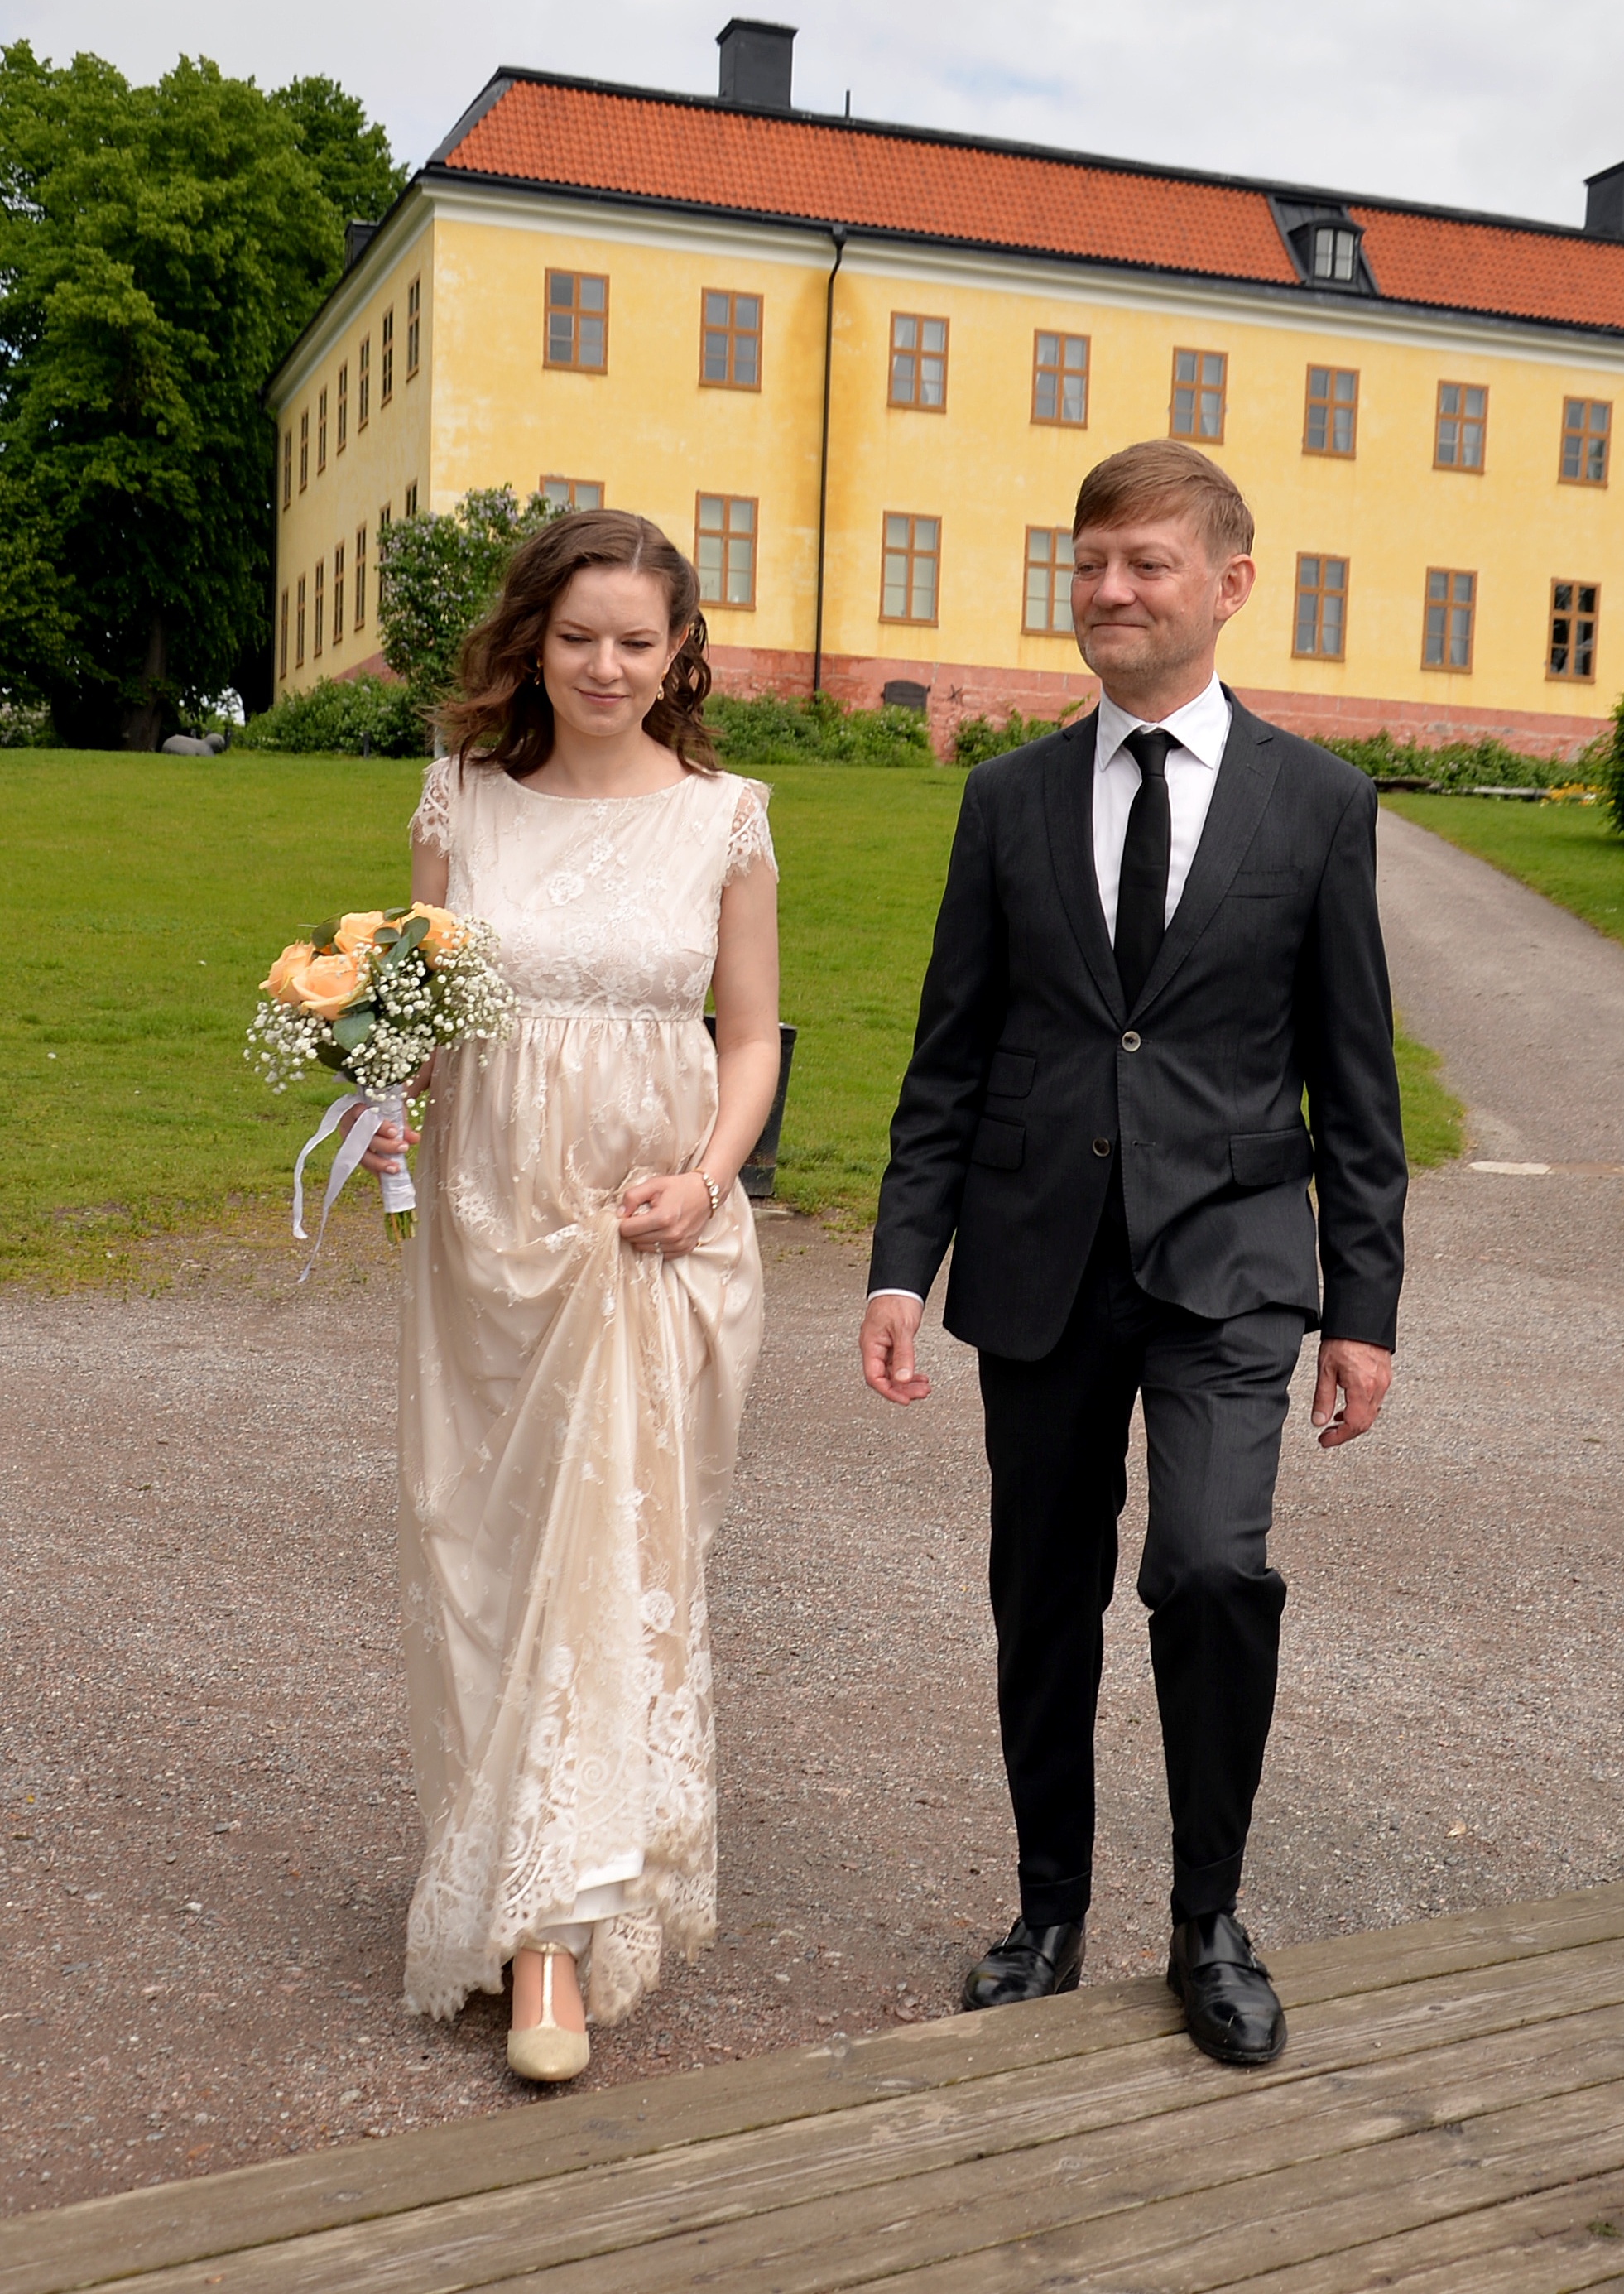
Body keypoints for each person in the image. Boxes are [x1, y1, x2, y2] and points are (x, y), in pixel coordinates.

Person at [859, 441, 1405, 2068]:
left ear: (1228, 585)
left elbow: (1355, 1079)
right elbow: (948, 1057)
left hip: (1229, 1261)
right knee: (1041, 1591)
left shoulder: (1318, 804)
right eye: (1088, 559)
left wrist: (1362, 1308)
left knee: (1212, 1569)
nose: (1106, 588)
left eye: (1143, 562)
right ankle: (1046, 1909)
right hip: (1039, 1259)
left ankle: (1207, 1922)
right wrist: (900, 1266)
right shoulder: (1005, 799)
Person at [351, 507, 780, 2080]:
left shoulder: (728, 819)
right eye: (578, 635)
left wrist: (711, 1175)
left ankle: (553, 1926)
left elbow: (751, 1035)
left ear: (679, 653)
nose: (607, 666)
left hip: (647, 1237)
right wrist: (378, 1089)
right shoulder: (457, 799)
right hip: (487, 1237)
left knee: (615, 1552)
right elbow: (414, 1007)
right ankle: (504, 1863)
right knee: (484, 1548)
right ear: (532, 639)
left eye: (637, 640)